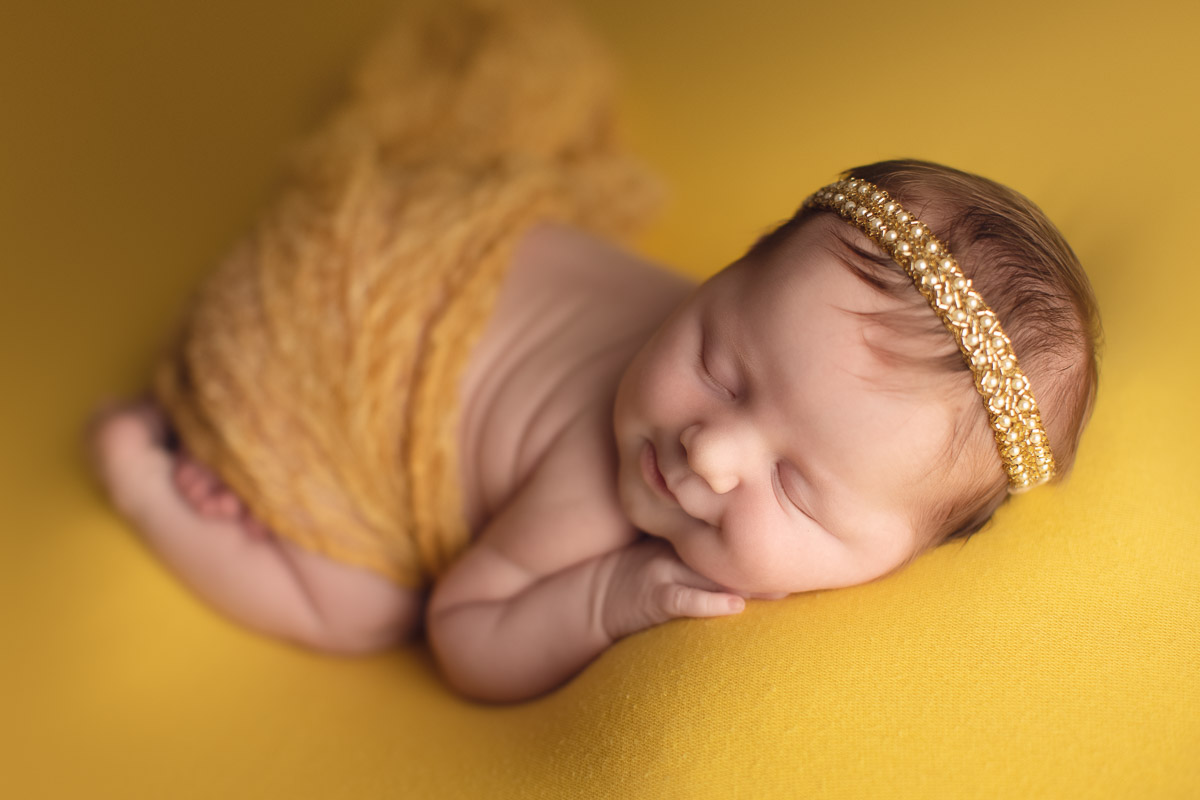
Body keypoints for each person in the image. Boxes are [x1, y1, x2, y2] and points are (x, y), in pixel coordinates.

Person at [86, 5, 1102, 704]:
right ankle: (143, 476)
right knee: (364, 606)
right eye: (719, 361)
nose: (709, 452)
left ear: (900, 553)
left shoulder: (761, 394)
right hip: (328, 329)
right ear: (725, 275)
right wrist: (607, 598)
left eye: (793, 483)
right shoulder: (595, 486)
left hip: (432, 230)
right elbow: (465, 632)